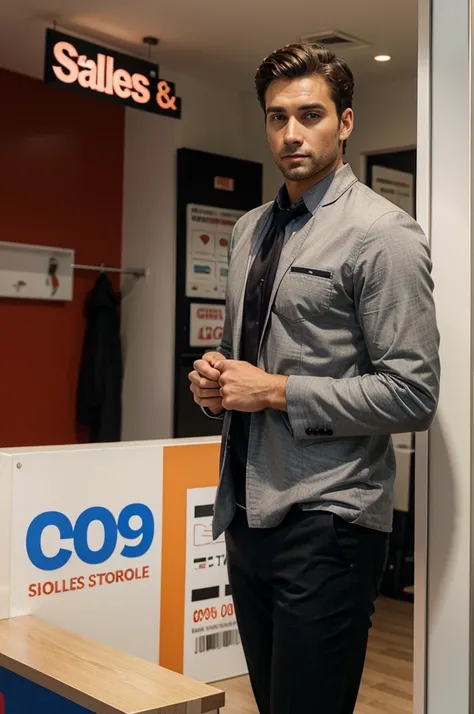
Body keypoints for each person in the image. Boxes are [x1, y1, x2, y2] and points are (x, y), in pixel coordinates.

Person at [188, 43, 440, 714]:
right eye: (277, 118)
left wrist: (274, 391)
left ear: (346, 122)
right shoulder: (249, 231)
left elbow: (412, 393)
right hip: (247, 513)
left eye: (310, 115)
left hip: (330, 523)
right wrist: (216, 383)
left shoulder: (383, 235)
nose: (292, 134)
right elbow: (243, 356)